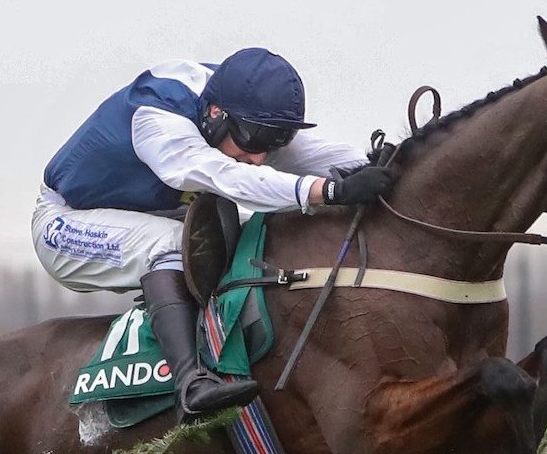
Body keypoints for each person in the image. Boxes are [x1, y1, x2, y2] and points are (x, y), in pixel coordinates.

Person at [34, 47, 393, 419]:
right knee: (174, 244)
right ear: (216, 114)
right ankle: (190, 384)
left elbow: (310, 154)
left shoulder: (232, 106)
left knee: (244, 229)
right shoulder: (157, 121)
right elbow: (227, 177)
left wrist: (375, 163)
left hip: (146, 211)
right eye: (254, 138)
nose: (259, 156)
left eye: (273, 141)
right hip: (66, 224)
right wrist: (327, 191)